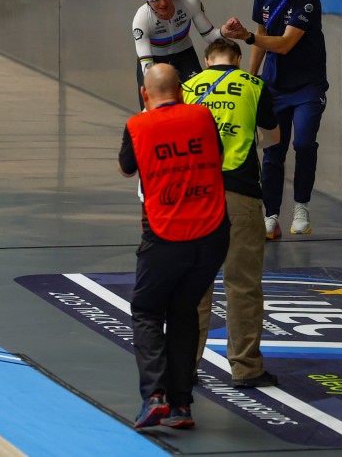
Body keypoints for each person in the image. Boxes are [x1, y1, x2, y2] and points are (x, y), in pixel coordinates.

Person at [118, 63, 230, 428]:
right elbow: (220, 156)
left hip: (166, 235)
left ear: (144, 95)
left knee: (148, 310)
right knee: (184, 312)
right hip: (213, 235)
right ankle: (182, 406)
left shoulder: (137, 125)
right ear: (181, 91)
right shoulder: (202, 117)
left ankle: (155, 397)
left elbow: (126, 168)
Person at [182, 39, 280, 388]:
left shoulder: (187, 87)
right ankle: (245, 368)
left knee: (194, 285)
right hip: (240, 193)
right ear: (238, 60)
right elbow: (272, 137)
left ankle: (184, 366)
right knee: (243, 285)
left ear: (207, 60)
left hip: (195, 197)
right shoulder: (255, 87)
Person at [222, 0, 328, 239]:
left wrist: (246, 37)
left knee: (304, 143)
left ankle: (301, 206)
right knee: (272, 153)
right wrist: (251, 79)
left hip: (307, 87)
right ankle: (270, 215)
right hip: (275, 88)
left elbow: (283, 44)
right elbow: (262, 34)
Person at [132, 0, 227, 111]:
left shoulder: (189, 2)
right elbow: (147, 67)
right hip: (154, 61)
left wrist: (224, 32)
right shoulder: (141, 19)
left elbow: (209, 36)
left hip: (185, 56)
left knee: (199, 103)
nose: (163, 3)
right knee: (154, 110)